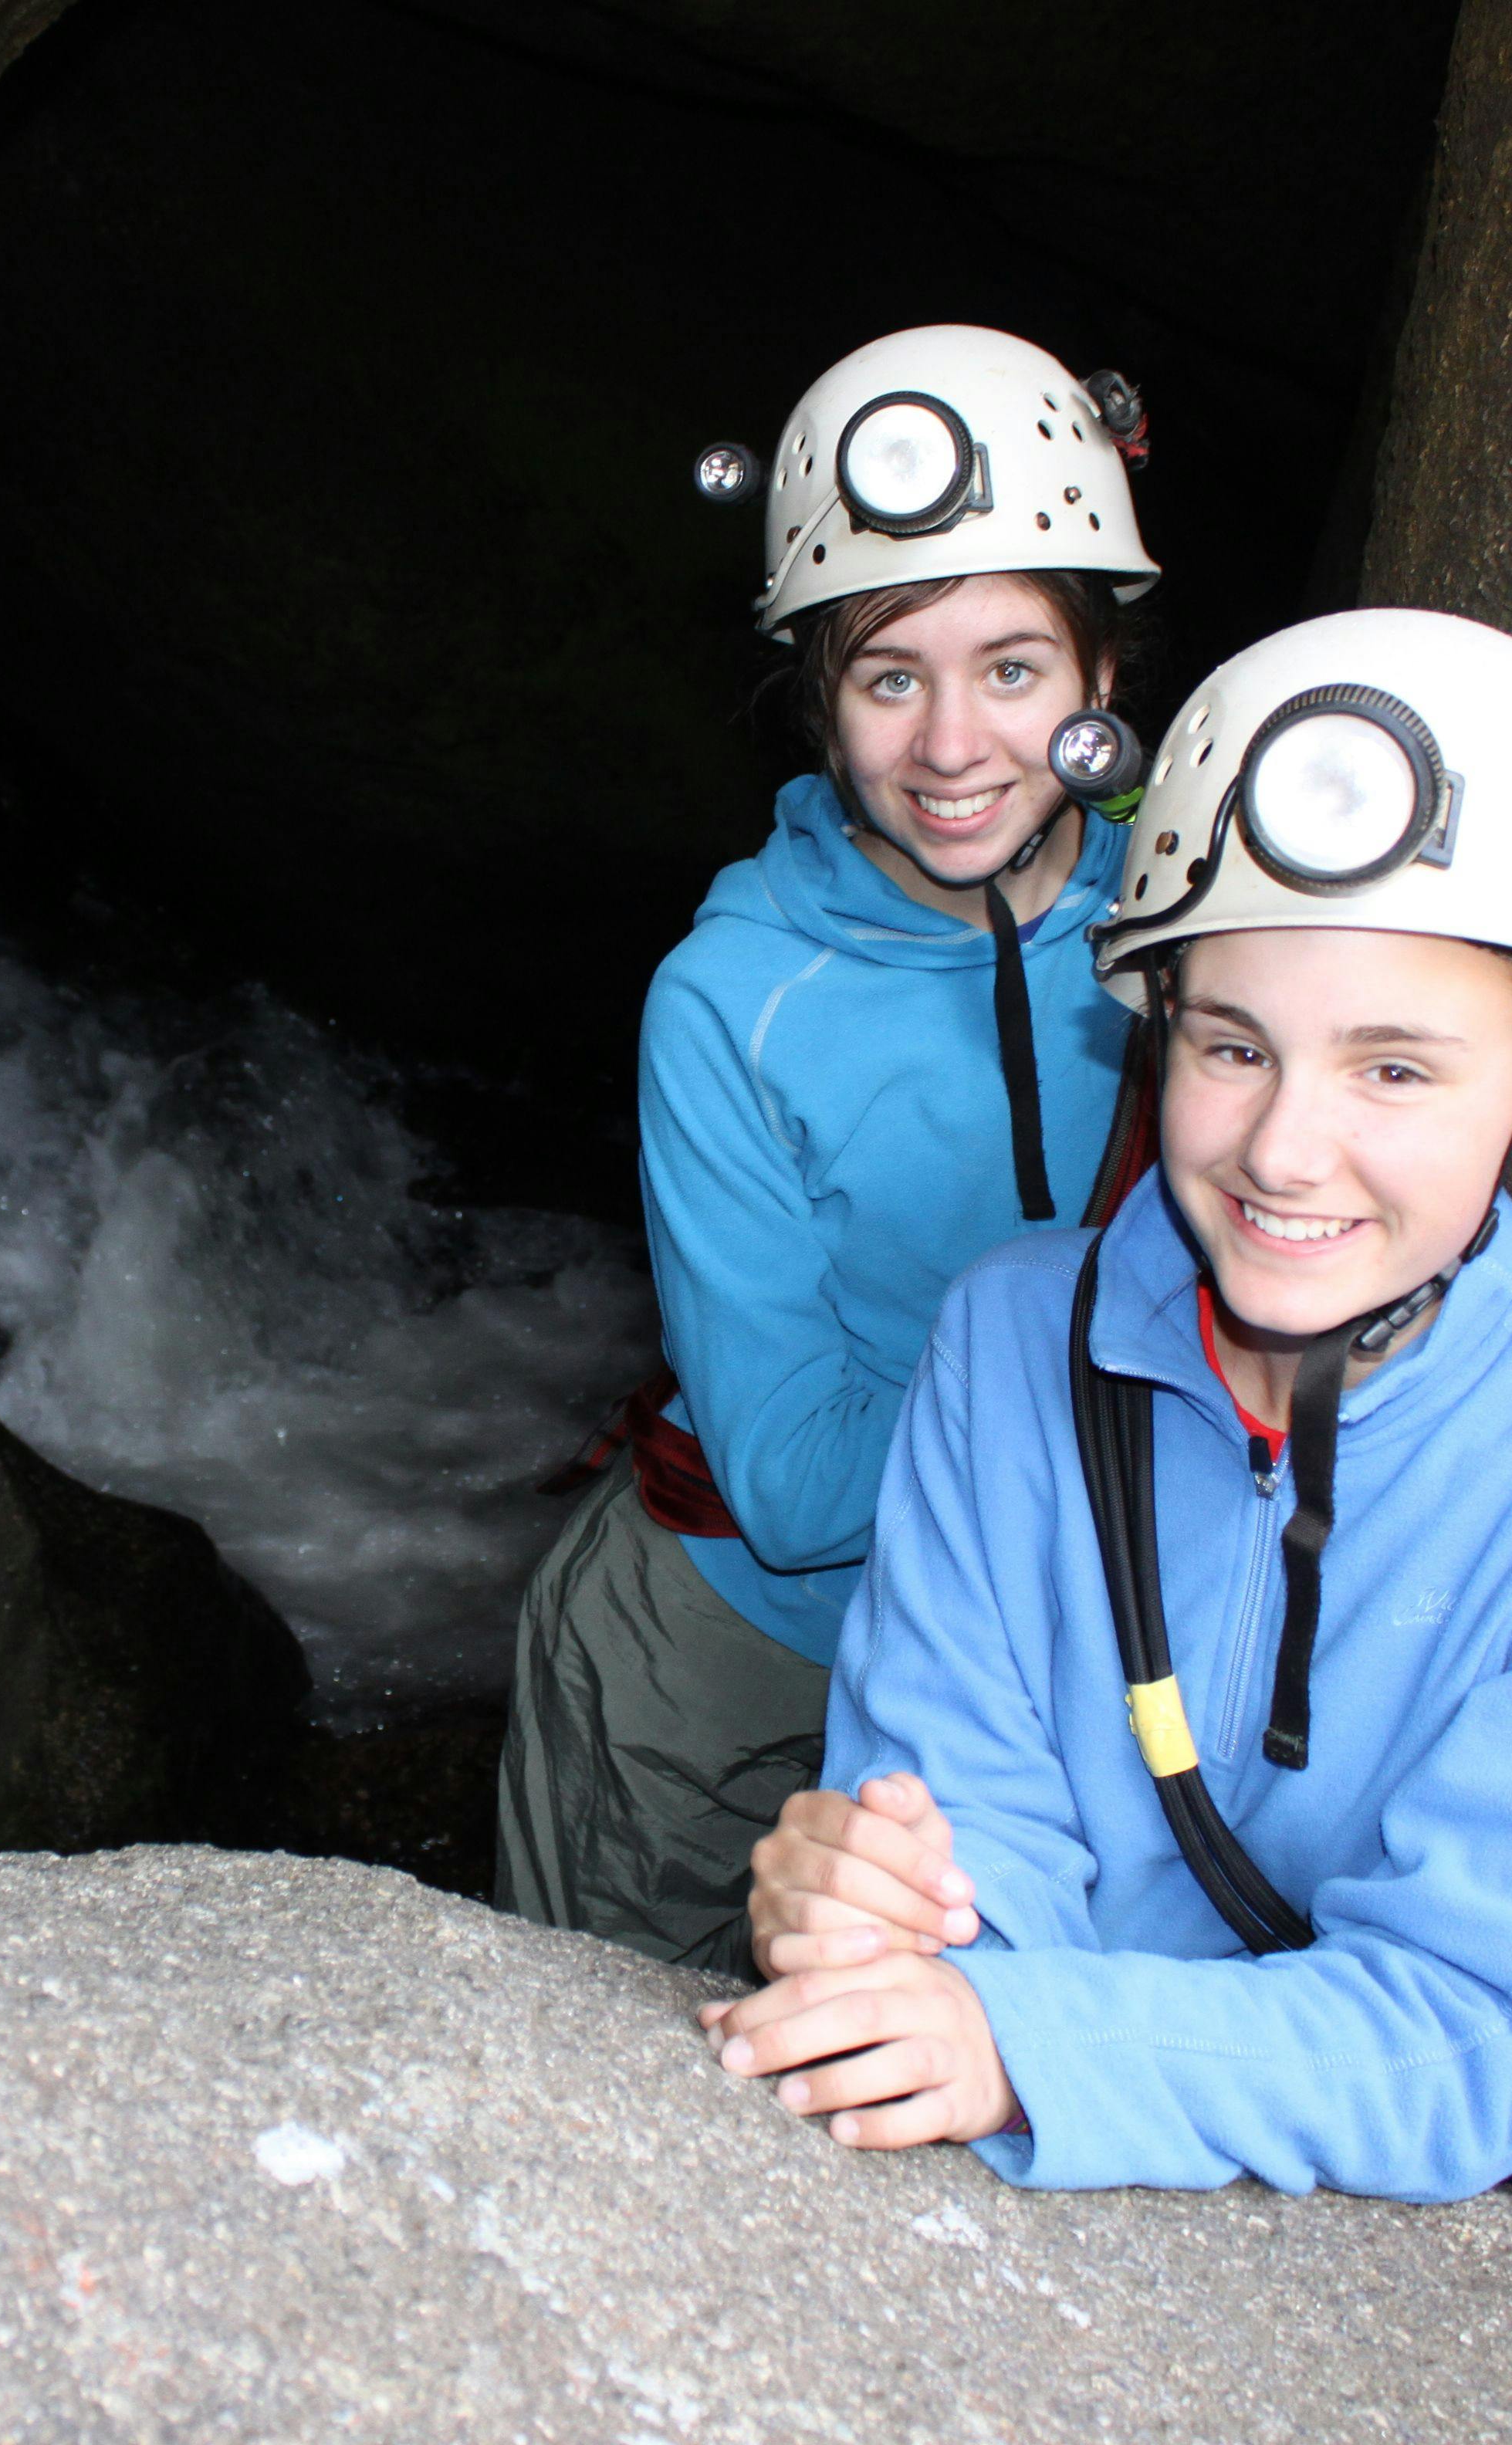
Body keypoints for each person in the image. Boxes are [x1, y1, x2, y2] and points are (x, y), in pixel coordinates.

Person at [698, 607, 1512, 2199]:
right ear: (1158, 1032)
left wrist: (1012, 2034)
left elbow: (1476, 2023)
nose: (1285, 1152)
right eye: (1232, 1046)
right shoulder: (1012, 1341)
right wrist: (896, 1921)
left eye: (1398, 1071)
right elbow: (964, 1836)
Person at [494, 328, 1161, 1971]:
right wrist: (1143, 1413)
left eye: (1012, 668)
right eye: (888, 676)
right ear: (818, 699)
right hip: (738, 1654)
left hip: (1031, 1651)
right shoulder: (733, 1002)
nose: (949, 748)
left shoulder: (1205, 910)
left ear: (1102, 688)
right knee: (603, 2085)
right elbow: (793, 1483)